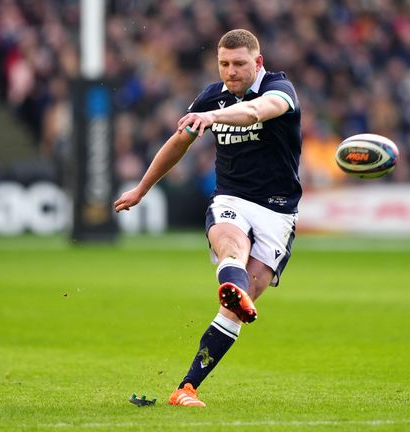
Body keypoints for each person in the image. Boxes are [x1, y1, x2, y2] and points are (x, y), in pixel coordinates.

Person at [114, 29, 302, 407]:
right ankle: (231, 288)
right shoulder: (211, 96)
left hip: (278, 210)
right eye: (224, 64)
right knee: (231, 245)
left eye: (239, 64)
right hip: (231, 199)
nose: (230, 72)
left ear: (258, 63)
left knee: (240, 303)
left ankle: (185, 388)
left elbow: (255, 111)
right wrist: (141, 189)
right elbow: (178, 142)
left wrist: (212, 116)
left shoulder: (280, 89)